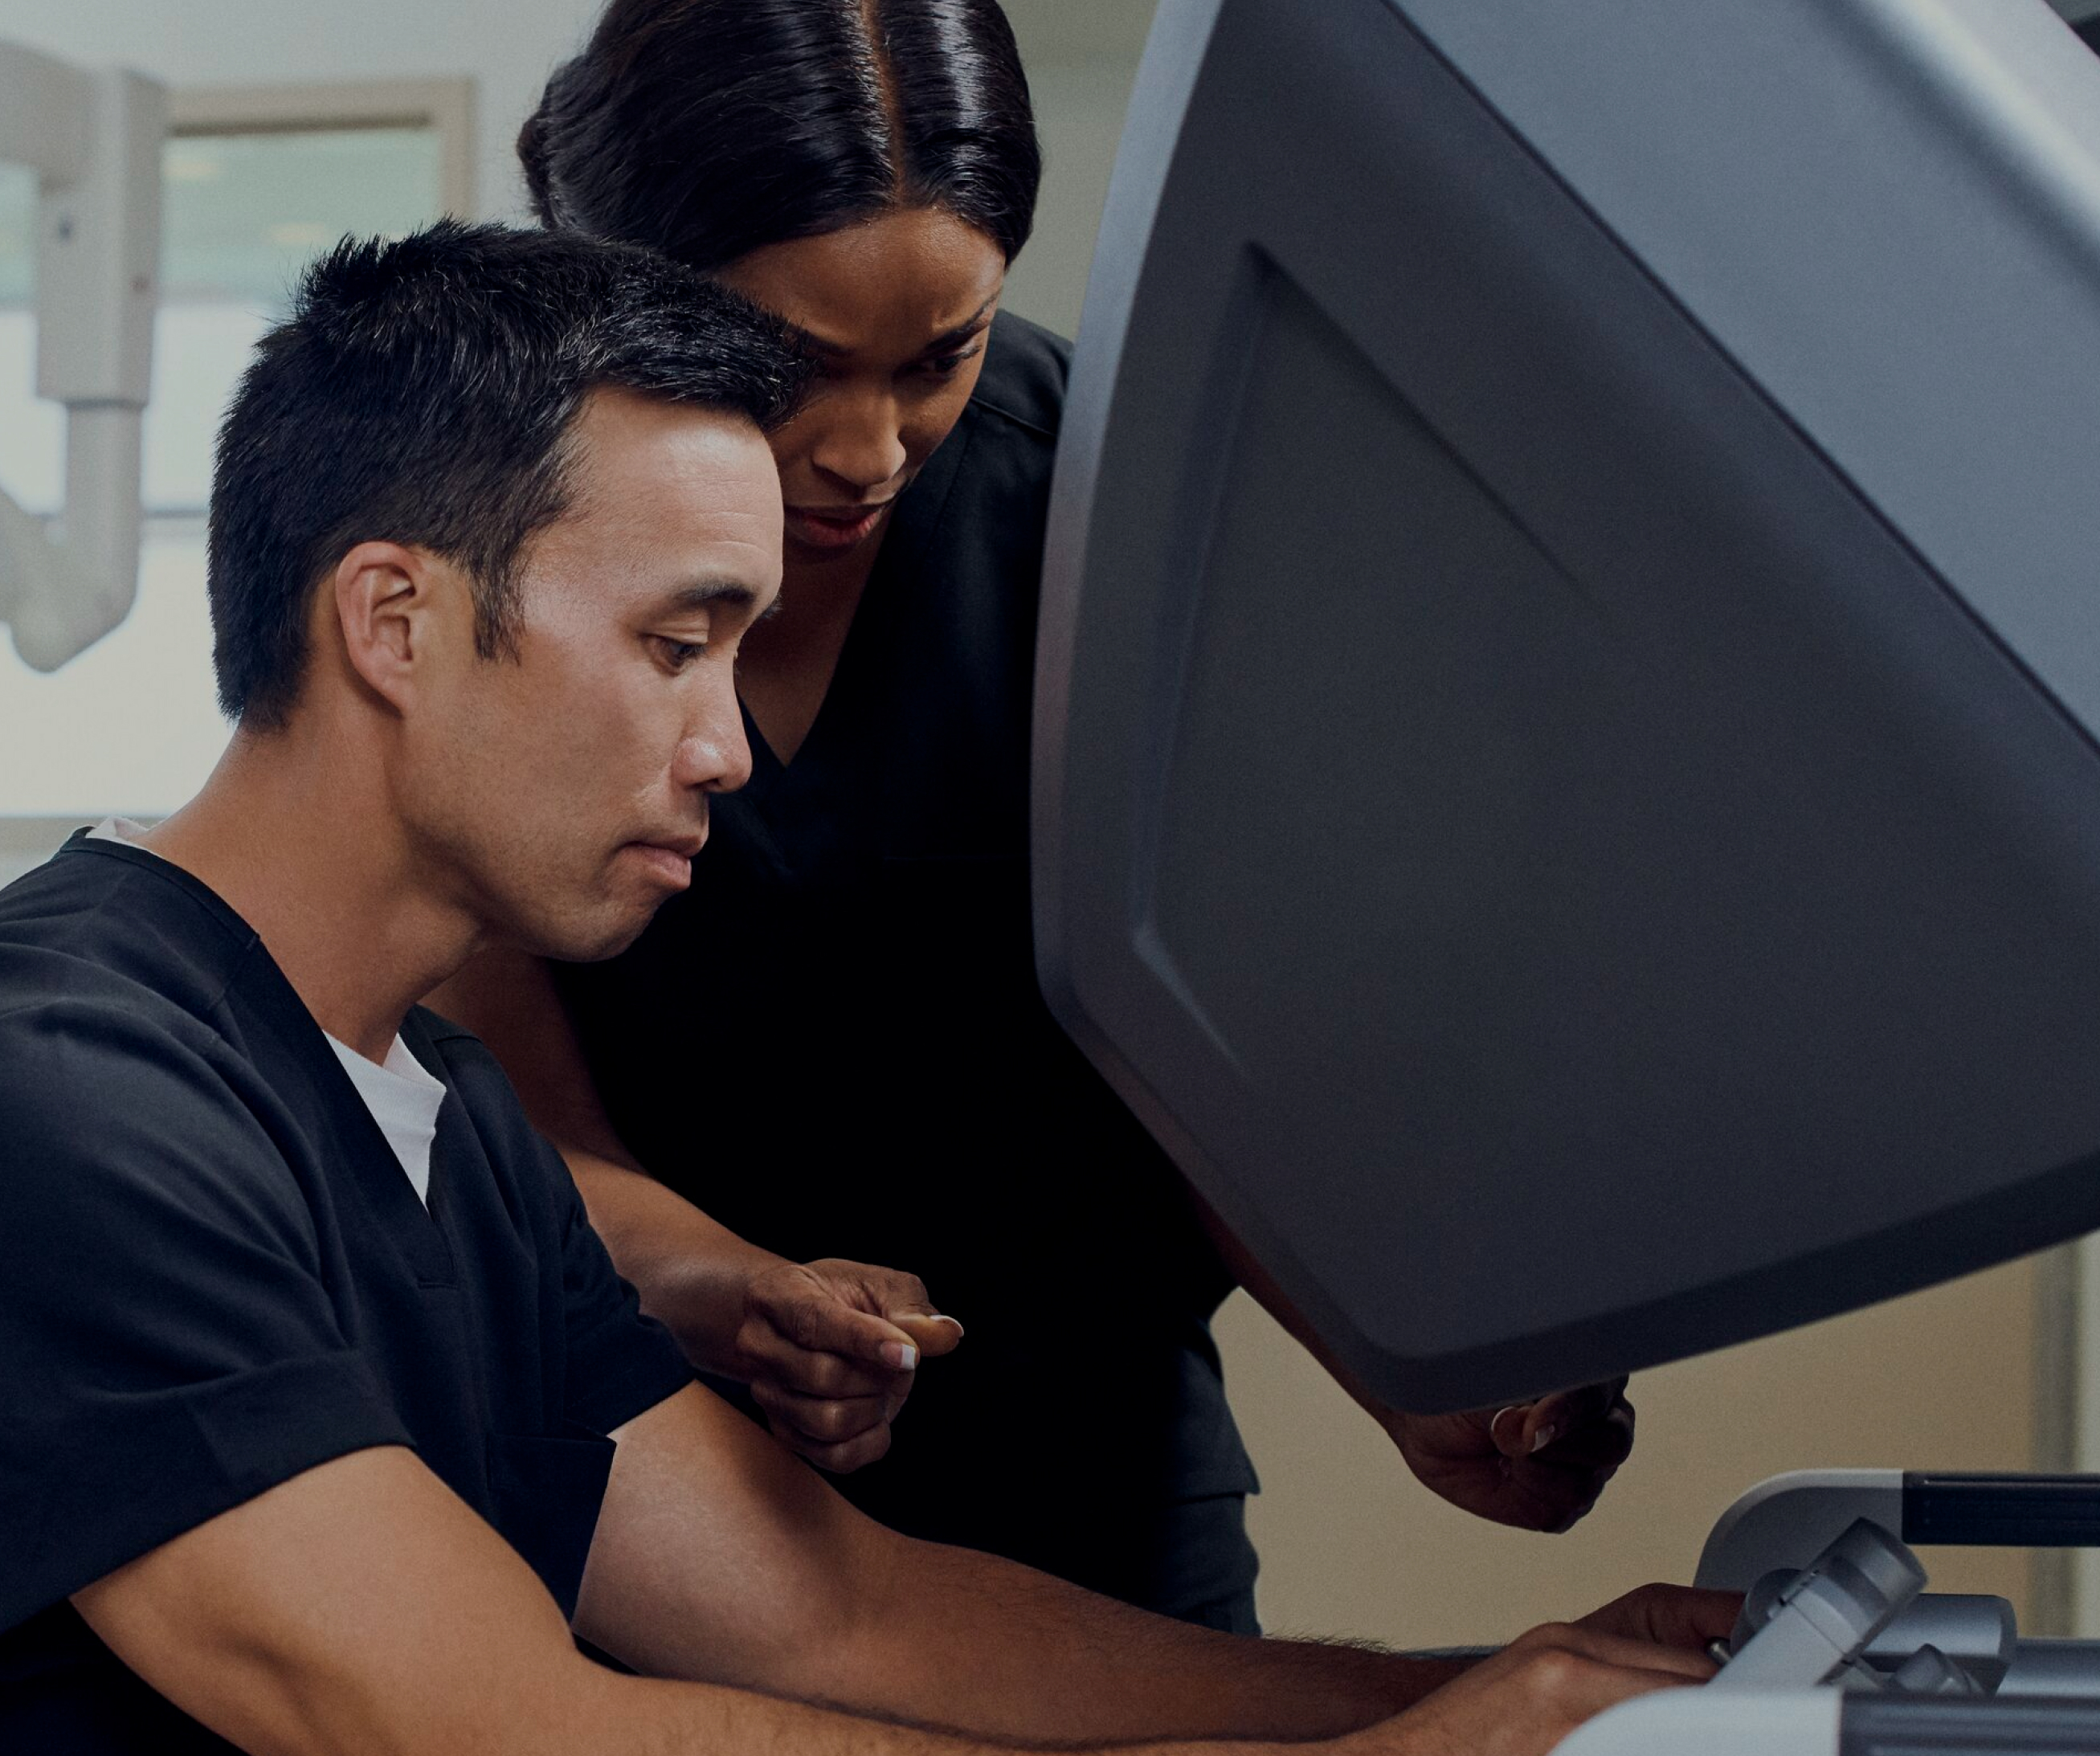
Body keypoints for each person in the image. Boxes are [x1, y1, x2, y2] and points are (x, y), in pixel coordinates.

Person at [0, 221, 1726, 1756]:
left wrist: (1477, 1703)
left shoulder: (431, 1116)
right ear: (394, 622)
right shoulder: (40, 1117)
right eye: (672, 643)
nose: (729, 747)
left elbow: (836, 1614)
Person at [430, 0, 1636, 1633]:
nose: (868, 451)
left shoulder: (1121, 502)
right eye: (787, 366)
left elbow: (1211, 1055)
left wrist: (1405, 1366)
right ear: (615, 277)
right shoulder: (483, 539)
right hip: (654, 1464)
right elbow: (499, 1108)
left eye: (940, 356)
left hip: (1094, 1468)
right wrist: (735, 1292)